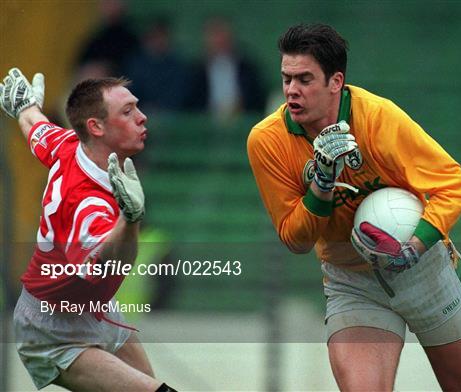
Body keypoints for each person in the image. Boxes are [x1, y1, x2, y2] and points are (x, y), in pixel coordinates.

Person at [247, 24, 461, 391]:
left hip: (425, 271)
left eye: (304, 79)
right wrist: (322, 184)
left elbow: (454, 184)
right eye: (286, 78)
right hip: (352, 282)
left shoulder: (379, 118)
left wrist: (416, 244)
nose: (292, 90)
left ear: (336, 81)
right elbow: (295, 240)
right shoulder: (266, 140)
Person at [0, 68, 177, 391]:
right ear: (96, 127)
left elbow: (36, 129)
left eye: (136, 106)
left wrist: (25, 107)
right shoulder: (87, 204)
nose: (142, 117)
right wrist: (131, 218)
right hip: (52, 329)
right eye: (128, 111)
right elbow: (110, 264)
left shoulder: (70, 144)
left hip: (92, 308)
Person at [188, 17, 266, 123]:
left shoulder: (247, 69)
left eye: (223, 35)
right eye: (215, 36)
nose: (219, 40)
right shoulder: (196, 72)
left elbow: (258, 100)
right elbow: (191, 105)